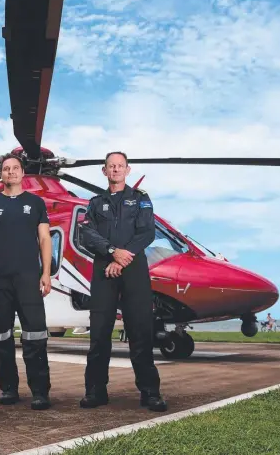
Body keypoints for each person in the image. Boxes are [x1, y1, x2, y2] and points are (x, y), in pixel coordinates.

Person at [78, 151, 167, 412]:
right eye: (110, 166)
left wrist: (120, 258)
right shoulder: (95, 203)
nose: (115, 170)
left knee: (140, 331)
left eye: (120, 166)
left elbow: (147, 231)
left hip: (133, 268)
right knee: (99, 333)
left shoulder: (141, 199)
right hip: (104, 268)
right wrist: (110, 252)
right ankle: (95, 391)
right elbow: (86, 234)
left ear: (127, 170)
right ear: (104, 172)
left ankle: (150, 392)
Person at [0, 153, 53, 410]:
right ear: (1, 174)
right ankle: (8, 388)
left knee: (36, 335)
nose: (11, 172)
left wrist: (46, 273)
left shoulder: (36, 203)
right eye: (6, 169)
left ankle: (40, 391)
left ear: (22, 173)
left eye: (15, 168)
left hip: (29, 278)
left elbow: (44, 239)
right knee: (1, 336)